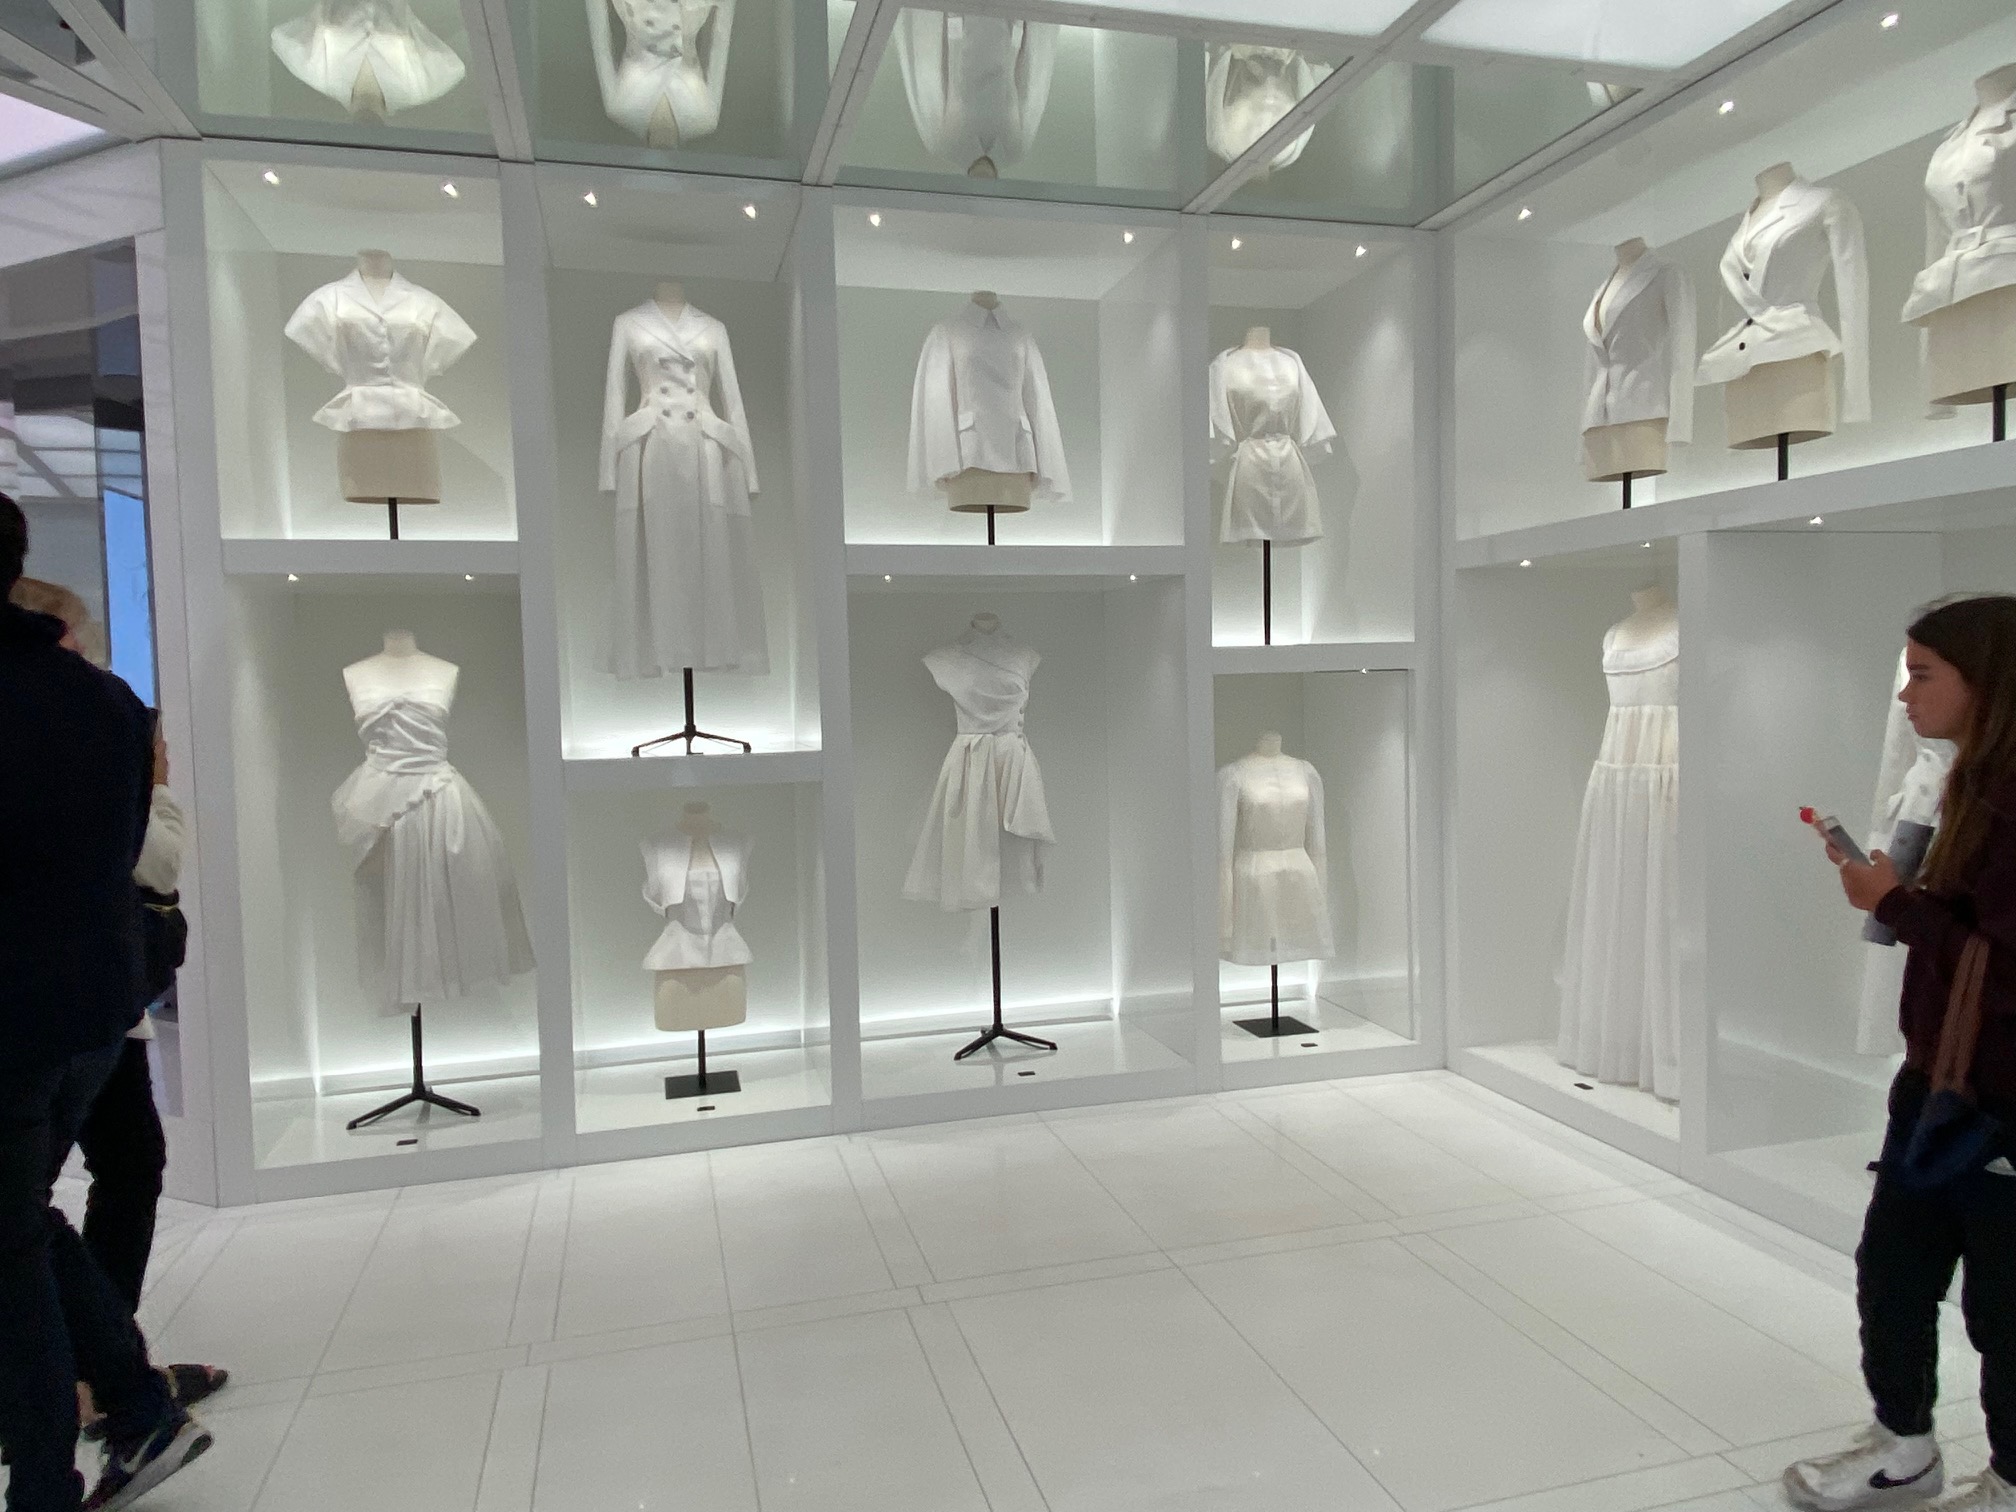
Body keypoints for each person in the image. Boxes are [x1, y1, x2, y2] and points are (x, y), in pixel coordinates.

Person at [0, 494, 212, 1511]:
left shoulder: (77, 702)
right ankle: (129, 1404)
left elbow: (143, 854)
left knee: (22, 1233)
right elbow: (127, 847)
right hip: (88, 1001)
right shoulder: (107, 706)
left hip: (32, 1009)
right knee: (23, 1222)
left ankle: (68, 1455)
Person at [1786, 594, 2016, 1512]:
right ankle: (1905, 1443)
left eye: (1922, 675)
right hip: (1936, 1079)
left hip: (2001, 1097)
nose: (1905, 695)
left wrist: (1893, 904)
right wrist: (1892, 895)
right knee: (1893, 1268)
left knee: (2004, 1307)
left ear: (1987, 683)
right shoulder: (1966, 787)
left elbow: (2002, 968)